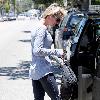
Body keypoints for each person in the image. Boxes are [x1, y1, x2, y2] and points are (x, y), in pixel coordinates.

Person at [29, 3, 65, 100]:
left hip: (35, 70)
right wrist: (57, 52)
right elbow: (38, 50)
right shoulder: (42, 29)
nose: (58, 23)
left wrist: (58, 60)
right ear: (50, 16)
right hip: (43, 71)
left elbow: (43, 50)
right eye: (57, 20)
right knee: (57, 98)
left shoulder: (38, 26)